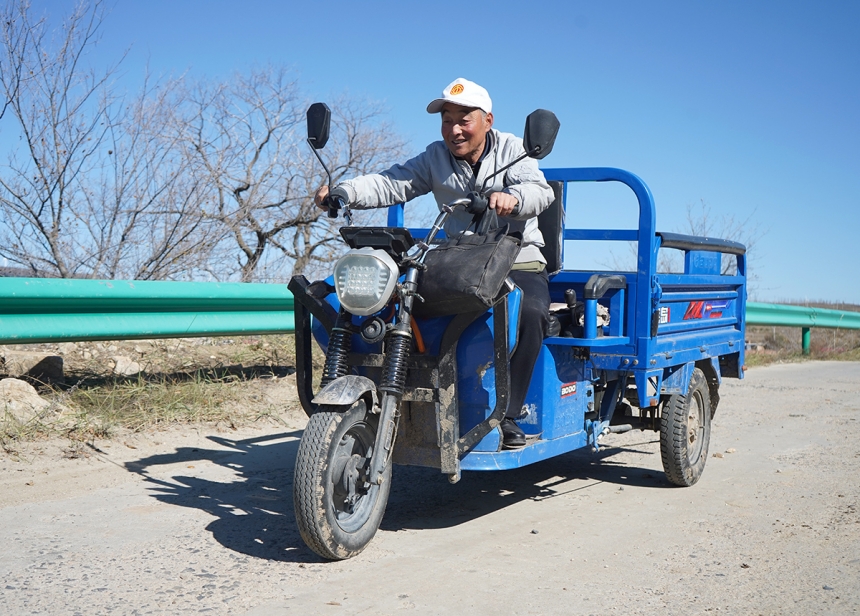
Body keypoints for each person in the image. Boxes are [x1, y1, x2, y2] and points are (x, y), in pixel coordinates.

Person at [315, 77, 553, 448]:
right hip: (461, 258)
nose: (454, 130)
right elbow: (393, 182)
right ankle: (400, 394)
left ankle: (508, 414)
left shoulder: (514, 150)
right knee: (394, 300)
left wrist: (511, 197)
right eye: (446, 120)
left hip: (516, 257)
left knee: (532, 311)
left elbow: (540, 191)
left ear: (487, 120)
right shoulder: (434, 157)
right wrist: (346, 192)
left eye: (464, 119)